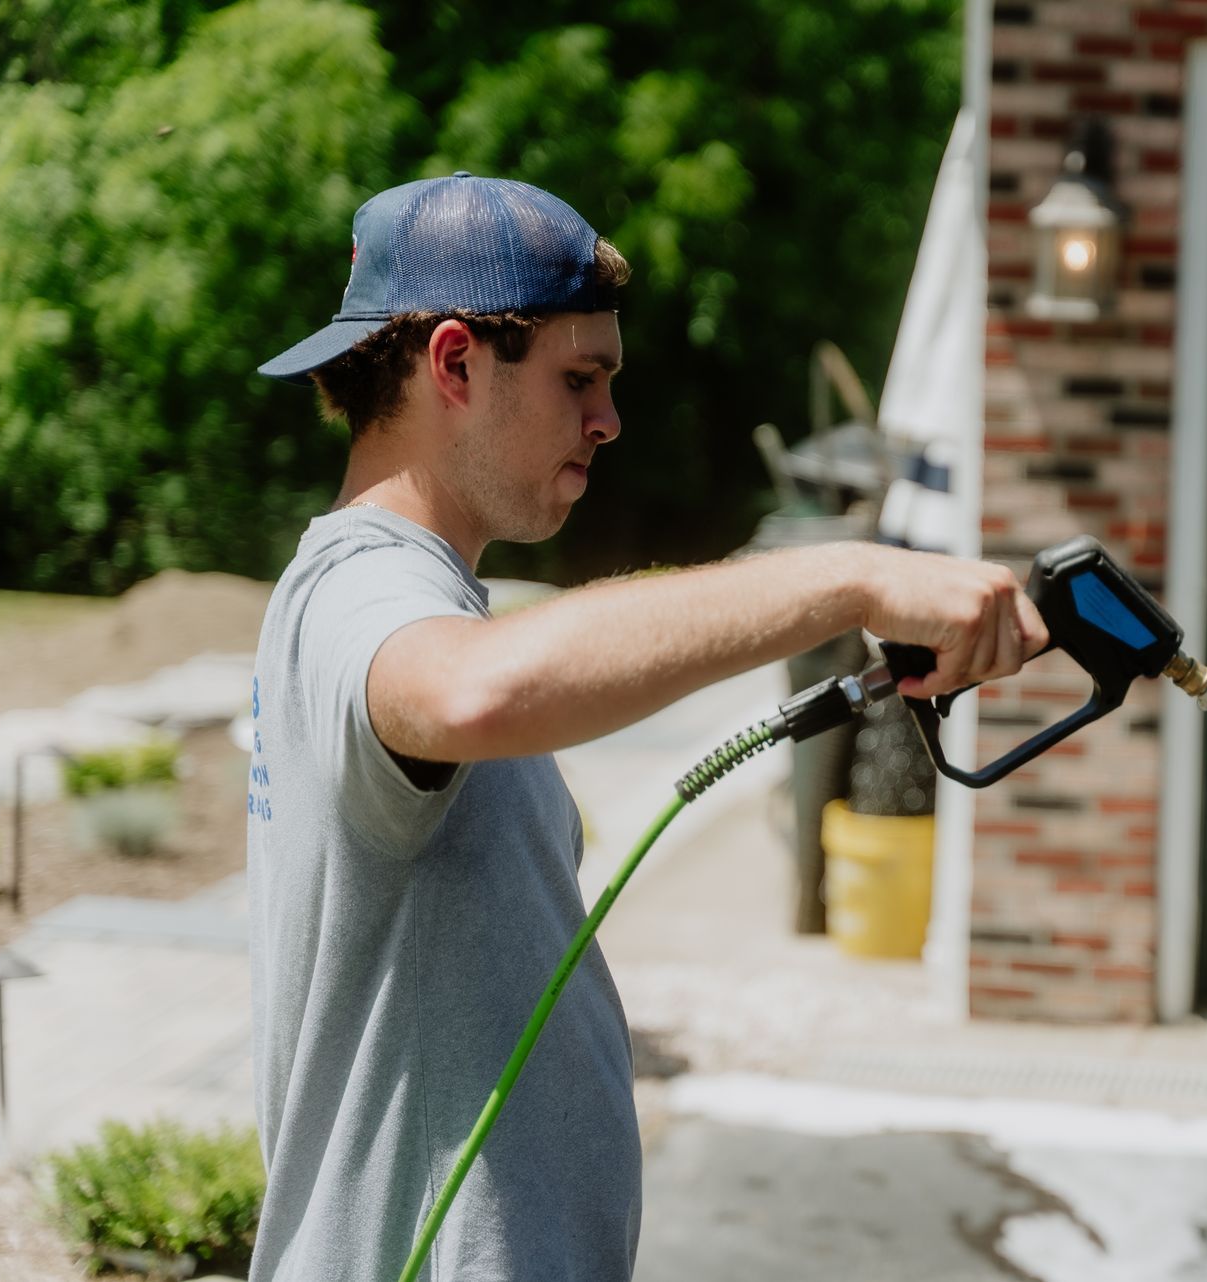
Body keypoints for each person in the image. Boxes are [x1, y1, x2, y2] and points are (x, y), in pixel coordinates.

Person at [243, 173, 1048, 1281]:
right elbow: (470, 691)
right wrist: (852, 577)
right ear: (454, 363)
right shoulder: (357, 591)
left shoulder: (402, 595)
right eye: (580, 379)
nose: (608, 421)